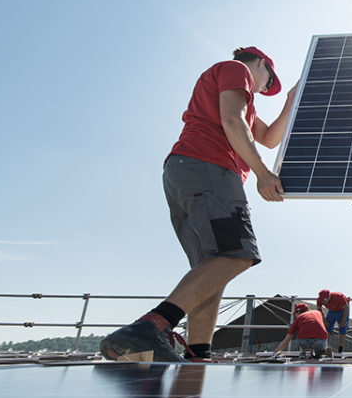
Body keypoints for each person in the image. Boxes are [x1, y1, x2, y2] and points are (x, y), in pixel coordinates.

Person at [100, 46, 297, 363]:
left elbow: (270, 138)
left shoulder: (242, 95)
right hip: (209, 167)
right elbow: (232, 121)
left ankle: (198, 352)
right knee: (237, 254)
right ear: (260, 64)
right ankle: (148, 328)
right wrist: (262, 173)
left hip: (184, 172)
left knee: (212, 269)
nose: (264, 87)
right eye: (267, 79)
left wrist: (290, 102)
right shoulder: (236, 70)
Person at [316, 289, 350, 356]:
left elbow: (346, 308)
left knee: (342, 328)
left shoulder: (338, 296)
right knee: (326, 328)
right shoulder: (319, 300)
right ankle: (325, 348)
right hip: (331, 310)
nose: (324, 302)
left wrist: (343, 321)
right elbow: (319, 309)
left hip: (342, 309)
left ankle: (340, 350)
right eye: (323, 300)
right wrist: (324, 320)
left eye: (325, 299)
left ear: (329, 296)